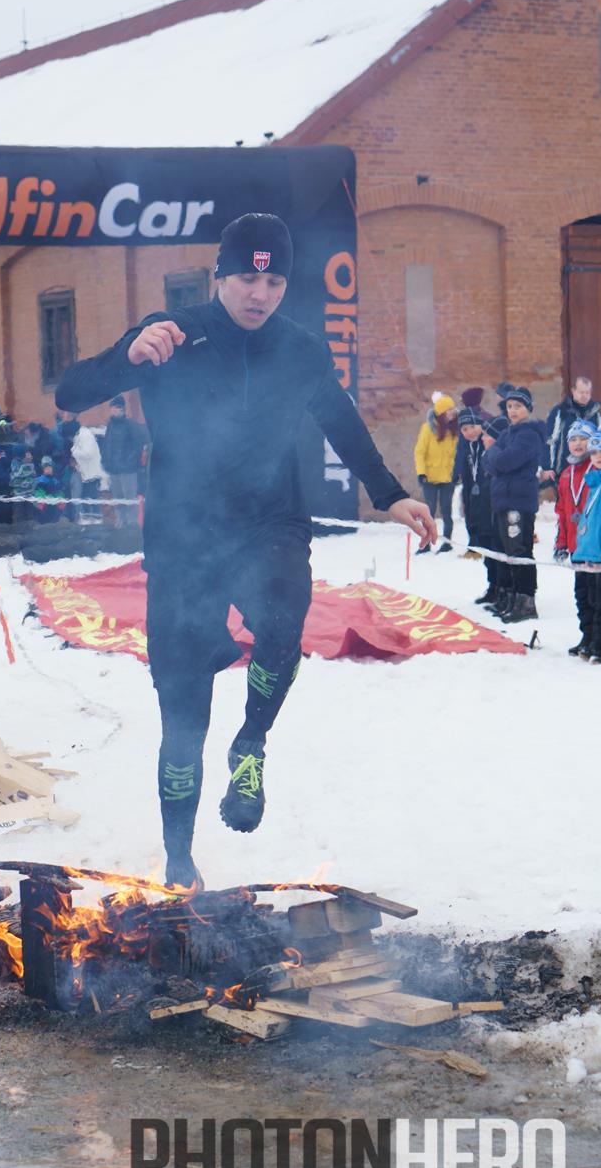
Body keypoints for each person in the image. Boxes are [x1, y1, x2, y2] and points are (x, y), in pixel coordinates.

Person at [56, 212, 436, 887]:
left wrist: (389, 493)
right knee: (182, 715)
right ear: (219, 276)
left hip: (270, 524)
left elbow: (339, 420)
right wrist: (127, 356)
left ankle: (251, 743)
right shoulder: (171, 335)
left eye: (274, 282)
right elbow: (70, 394)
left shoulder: (300, 350)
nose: (260, 294)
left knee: (284, 621)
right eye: (246, 280)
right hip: (183, 538)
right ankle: (179, 856)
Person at [481, 386, 547, 623]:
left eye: (518, 406)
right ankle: (509, 596)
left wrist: (496, 456)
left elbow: (504, 461)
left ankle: (526, 601)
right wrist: (495, 456)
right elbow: (488, 459)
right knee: (505, 550)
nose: (513, 410)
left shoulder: (529, 435)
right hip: (504, 499)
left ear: (528, 408)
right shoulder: (508, 433)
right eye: (509, 406)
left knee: (519, 551)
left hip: (518, 501)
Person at [571, 428, 601, 664]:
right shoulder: (597, 480)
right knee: (593, 601)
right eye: (594, 452)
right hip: (592, 554)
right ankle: (595, 642)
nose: (598, 457)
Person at [553, 420, 595, 656]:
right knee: (582, 594)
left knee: (598, 595)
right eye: (573, 439)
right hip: (576, 546)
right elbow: (561, 512)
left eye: (583, 438)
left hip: (596, 547)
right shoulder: (566, 475)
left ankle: (600, 638)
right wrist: (561, 543)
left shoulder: (599, 471)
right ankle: (587, 635)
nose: (578, 443)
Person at [453, 405, 500, 603]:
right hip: (475, 500)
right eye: (465, 429)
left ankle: (502, 588)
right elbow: (462, 468)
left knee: (496, 547)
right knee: (485, 547)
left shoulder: (489, 442)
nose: (470, 432)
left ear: (480, 424)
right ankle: (492, 586)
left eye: (473, 426)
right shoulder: (465, 446)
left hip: (492, 501)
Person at [413, 393, 458, 553]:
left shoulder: (455, 430)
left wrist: (457, 473)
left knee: (447, 511)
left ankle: (447, 543)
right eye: (448, 410)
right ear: (441, 413)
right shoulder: (427, 429)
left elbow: (457, 454)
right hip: (430, 478)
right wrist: (421, 473)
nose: (452, 413)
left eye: (453, 409)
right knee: (429, 512)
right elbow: (419, 452)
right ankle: (425, 544)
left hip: (448, 478)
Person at [541, 376, 601, 484]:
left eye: (587, 392)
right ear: (573, 391)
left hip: (590, 472)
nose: (584, 396)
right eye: (581, 392)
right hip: (563, 472)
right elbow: (549, 440)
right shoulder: (559, 412)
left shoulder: (595, 413)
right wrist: (547, 467)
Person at [478, 415, 511, 614]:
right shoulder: (486, 455)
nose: (483, 438)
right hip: (486, 513)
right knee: (489, 551)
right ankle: (494, 587)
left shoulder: (501, 459)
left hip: (499, 513)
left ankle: (504, 591)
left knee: (501, 553)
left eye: (487, 435)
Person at [101, 395, 148, 528]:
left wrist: (129, 461)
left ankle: (132, 521)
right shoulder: (110, 426)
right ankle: (121, 519)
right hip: (113, 469)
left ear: (122, 409)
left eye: (116, 408)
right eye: (112, 408)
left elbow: (137, 446)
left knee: (129, 496)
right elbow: (106, 445)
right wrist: (105, 461)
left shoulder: (130, 425)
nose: (114, 410)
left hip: (128, 469)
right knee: (117, 496)